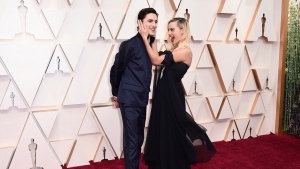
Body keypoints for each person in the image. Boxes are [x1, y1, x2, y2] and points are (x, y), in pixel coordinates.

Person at [138, 17, 216, 169]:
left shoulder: (185, 52)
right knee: (163, 129)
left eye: (172, 29)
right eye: (168, 29)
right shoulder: (173, 51)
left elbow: (155, 60)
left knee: (172, 130)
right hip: (164, 95)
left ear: (182, 30)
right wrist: (152, 38)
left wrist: (144, 38)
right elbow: (157, 56)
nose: (169, 33)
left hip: (172, 96)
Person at [110, 8, 158, 169]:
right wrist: (116, 94)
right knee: (132, 140)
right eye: (150, 21)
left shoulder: (150, 45)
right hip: (129, 99)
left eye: (156, 21)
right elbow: (116, 69)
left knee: (138, 139)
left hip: (142, 99)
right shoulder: (129, 44)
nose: (154, 24)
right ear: (140, 22)